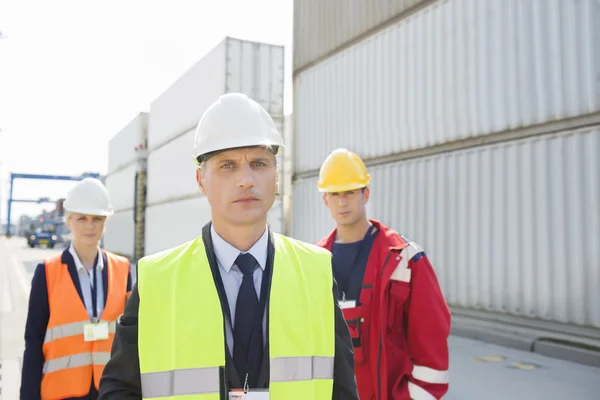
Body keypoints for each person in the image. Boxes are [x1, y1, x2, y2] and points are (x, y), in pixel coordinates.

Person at [98, 93, 358, 399]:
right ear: (201, 180)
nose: (245, 180)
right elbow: (119, 390)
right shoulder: (157, 281)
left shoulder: (315, 273)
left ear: (276, 177)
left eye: (259, 163)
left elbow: (341, 390)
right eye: (227, 166)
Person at [315, 148, 451, 400]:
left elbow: (432, 348)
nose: (342, 202)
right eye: (334, 194)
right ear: (325, 200)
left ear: (365, 194)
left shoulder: (405, 259)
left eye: (350, 193)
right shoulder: (314, 261)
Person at [20, 177, 133, 400]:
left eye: (97, 219)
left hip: (110, 390)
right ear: (69, 221)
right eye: (82, 218)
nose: (90, 226)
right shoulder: (47, 272)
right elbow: (33, 342)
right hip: (62, 392)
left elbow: (130, 338)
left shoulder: (123, 269)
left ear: (105, 223)